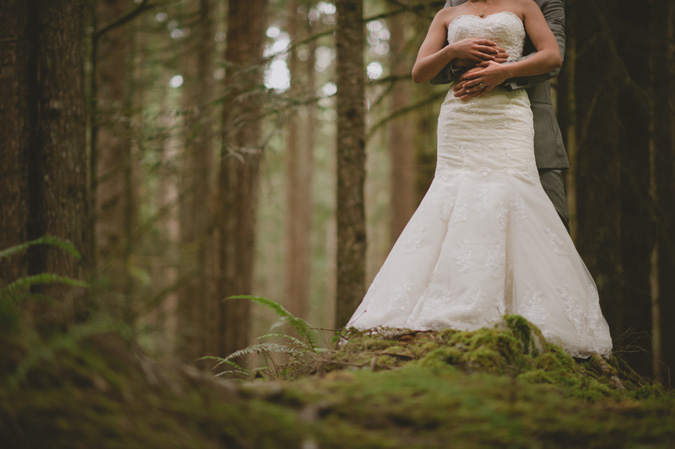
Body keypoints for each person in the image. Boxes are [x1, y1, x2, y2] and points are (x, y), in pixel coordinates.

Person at [346, 0, 612, 358]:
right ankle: (451, 302)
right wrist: (454, 50)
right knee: (453, 198)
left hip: (509, 113)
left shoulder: (526, 5)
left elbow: (552, 57)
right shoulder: (447, 13)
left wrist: (502, 72)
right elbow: (420, 71)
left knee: (512, 195)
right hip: (461, 117)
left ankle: (527, 313)